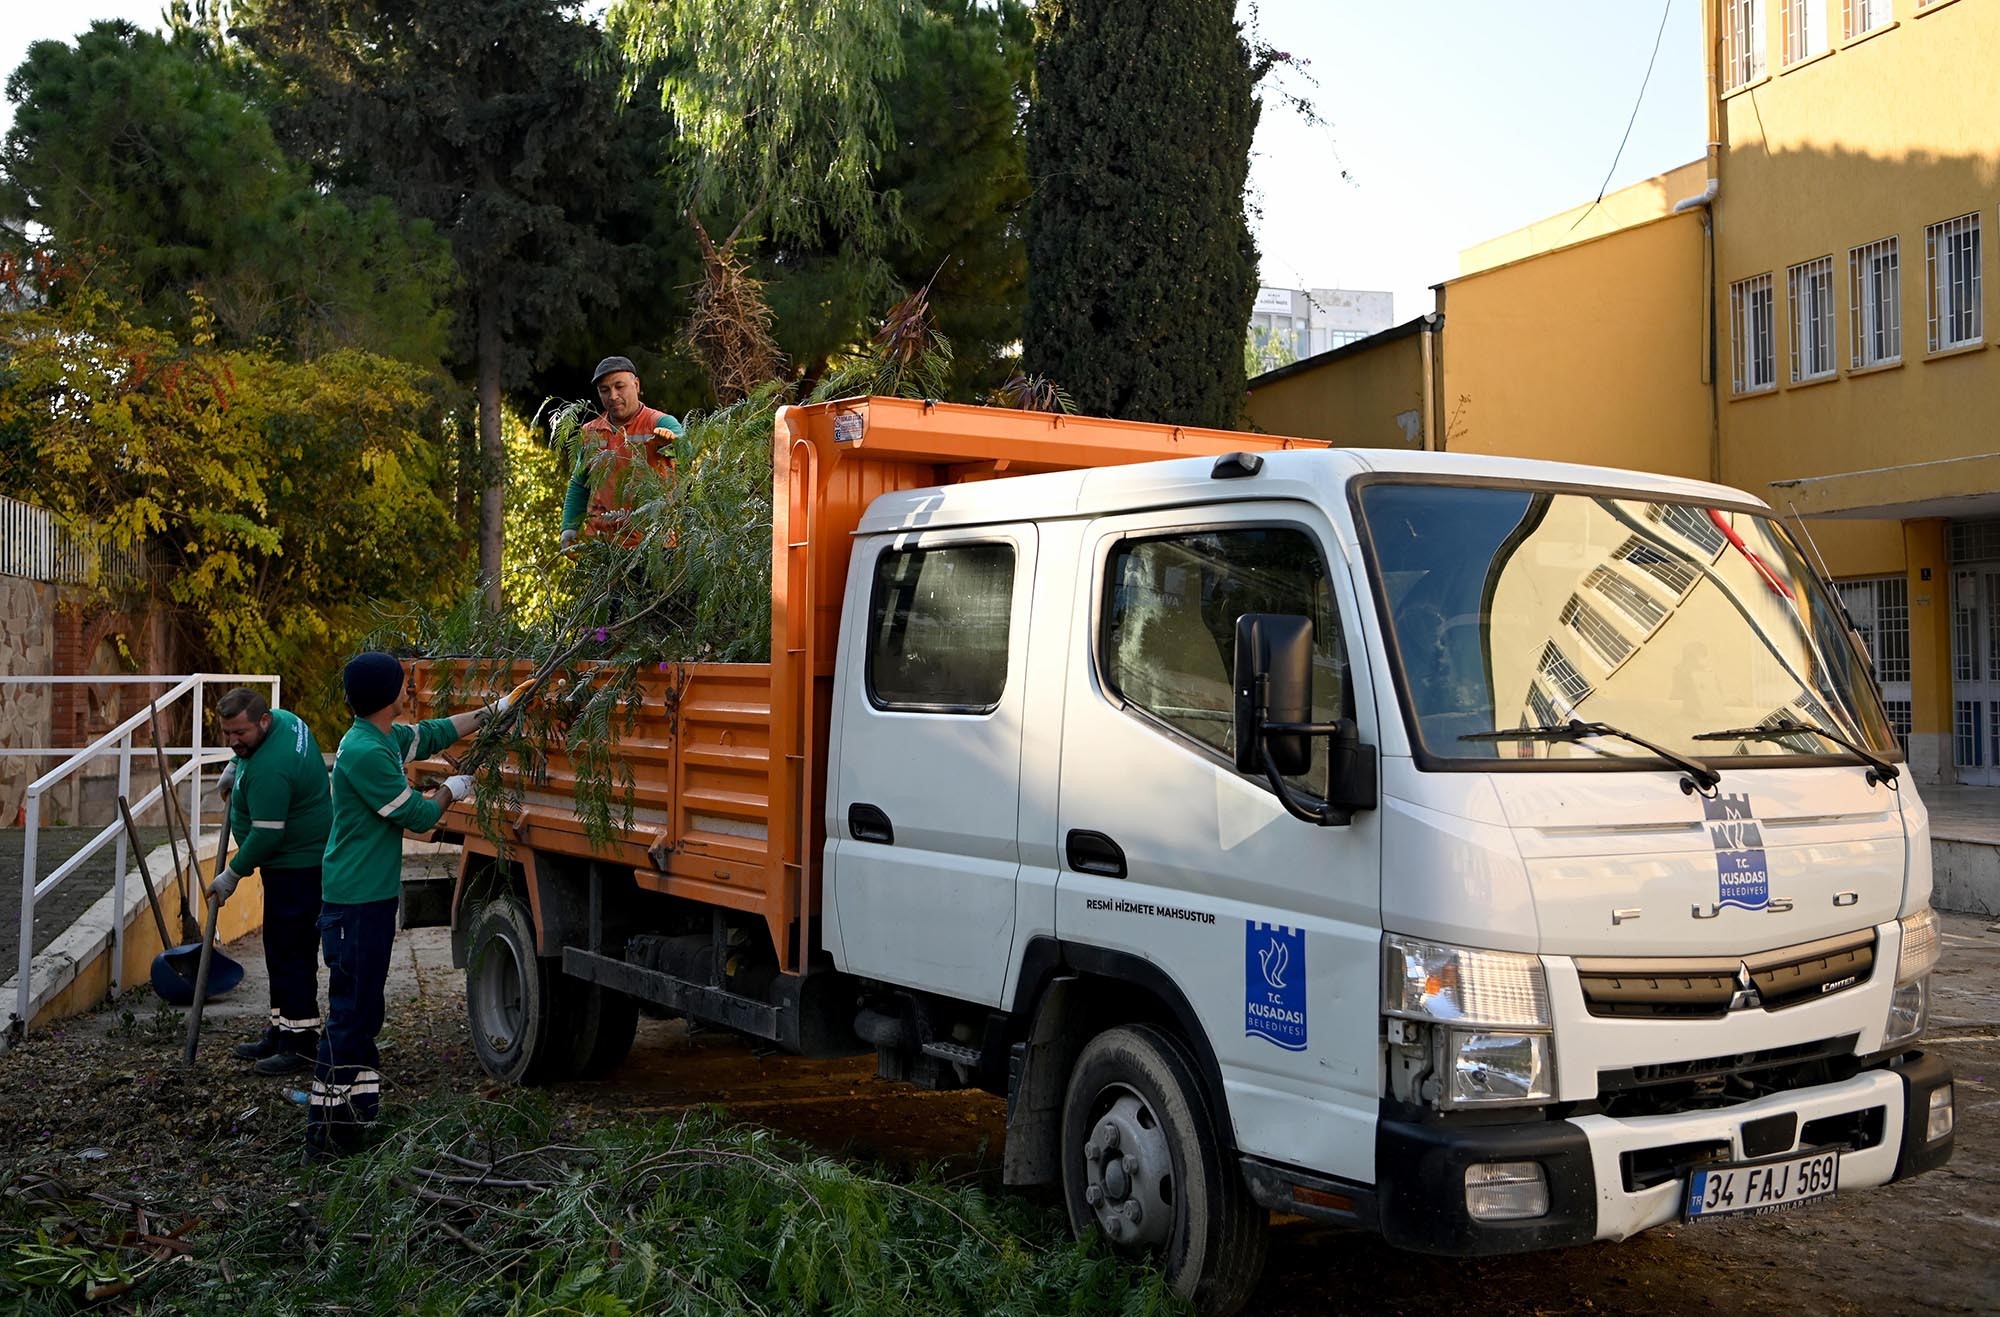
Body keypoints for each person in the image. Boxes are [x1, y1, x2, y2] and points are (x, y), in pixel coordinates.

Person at [310, 653, 531, 1155]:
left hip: (364, 898)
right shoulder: (365, 752)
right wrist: (452, 790)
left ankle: (354, 1120)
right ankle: (327, 1136)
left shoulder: (380, 737)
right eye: (404, 685)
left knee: (364, 1012)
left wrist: (491, 712)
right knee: (352, 1015)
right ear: (387, 695)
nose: (410, 691)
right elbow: (416, 817)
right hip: (354, 904)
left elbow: (431, 732)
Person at [207, 688, 333, 1077]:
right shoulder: (285, 720)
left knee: (292, 951)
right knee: (278, 947)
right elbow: (249, 754)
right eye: (227, 734)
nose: (233, 741)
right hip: (294, 861)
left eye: (239, 734)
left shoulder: (271, 768)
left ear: (262, 722)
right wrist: (236, 765)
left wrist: (231, 876)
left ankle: (300, 1043)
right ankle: (281, 1030)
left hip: (298, 865)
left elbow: (266, 836)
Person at [559, 355, 686, 550]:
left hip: (654, 546)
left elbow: (688, 452)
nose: (613, 396)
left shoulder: (660, 422)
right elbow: (579, 483)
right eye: (605, 390)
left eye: (620, 387)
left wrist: (671, 444)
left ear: (636, 385)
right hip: (603, 546)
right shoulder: (589, 432)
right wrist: (569, 529)